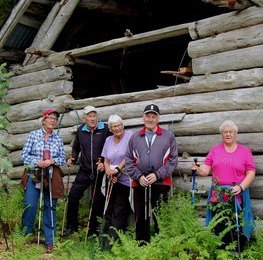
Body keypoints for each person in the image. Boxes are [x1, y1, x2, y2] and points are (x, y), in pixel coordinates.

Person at [191, 120, 256, 250]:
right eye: (225, 132)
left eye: (230, 131)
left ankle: (236, 254)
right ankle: (221, 254)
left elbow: (251, 173)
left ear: (235, 133)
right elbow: (205, 170)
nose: (228, 134)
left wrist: (241, 187)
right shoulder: (215, 151)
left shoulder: (245, 152)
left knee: (236, 225)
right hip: (218, 196)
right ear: (221, 134)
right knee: (219, 225)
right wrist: (197, 169)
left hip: (236, 194)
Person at [125, 103, 178, 244]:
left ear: (158, 118)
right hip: (139, 182)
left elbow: (172, 160)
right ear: (143, 118)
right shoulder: (135, 137)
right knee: (140, 216)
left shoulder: (168, 136)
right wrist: (138, 176)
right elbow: (129, 159)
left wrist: (157, 175)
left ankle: (162, 245)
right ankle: (142, 246)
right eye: (148, 116)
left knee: (160, 215)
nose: (150, 119)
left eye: (153, 116)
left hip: (160, 182)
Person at [20, 109, 66, 253]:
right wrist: (37, 162)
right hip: (34, 173)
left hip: (52, 175)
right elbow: (24, 155)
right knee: (30, 204)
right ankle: (24, 236)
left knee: (50, 206)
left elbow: (62, 158)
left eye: (55, 119)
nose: (53, 120)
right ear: (44, 119)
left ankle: (49, 240)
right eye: (50, 118)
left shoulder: (57, 139)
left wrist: (53, 160)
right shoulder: (34, 135)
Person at [64, 105, 109, 237]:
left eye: (94, 115)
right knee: (73, 196)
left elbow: (112, 145)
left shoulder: (105, 129)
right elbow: (76, 147)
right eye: (89, 116)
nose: (92, 118)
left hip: (100, 171)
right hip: (84, 170)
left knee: (97, 200)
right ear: (84, 118)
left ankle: (93, 231)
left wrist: (105, 161)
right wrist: (72, 158)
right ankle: (71, 228)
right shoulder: (80, 131)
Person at [100, 114, 133, 249]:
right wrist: (108, 171)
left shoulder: (130, 136)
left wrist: (118, 170)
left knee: (119, 211)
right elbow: (106, 159)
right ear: (110, 128)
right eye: (114, 126)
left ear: (123, 125)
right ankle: (104, 239)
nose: (117, 128)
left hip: (124, 179)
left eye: (119, 125)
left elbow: (129, 156)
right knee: (108, 209)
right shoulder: (108, 139)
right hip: (111, 179)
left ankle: (112, 243)